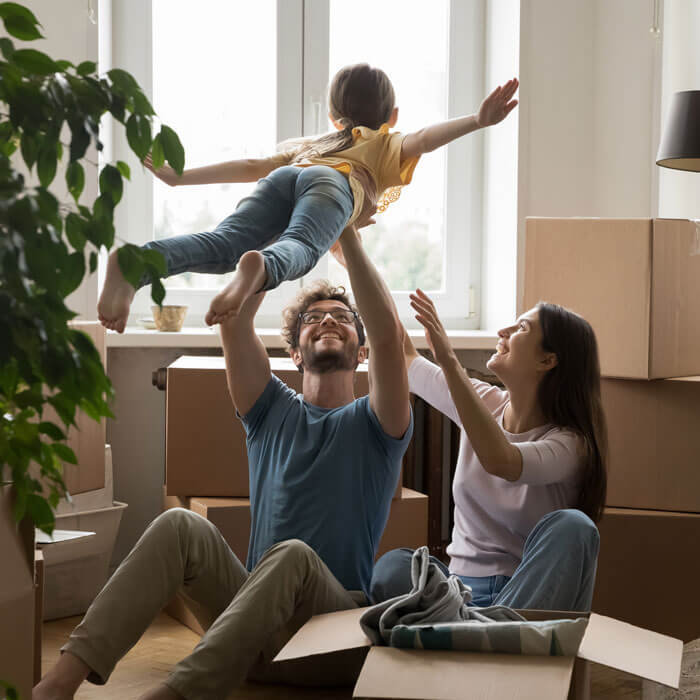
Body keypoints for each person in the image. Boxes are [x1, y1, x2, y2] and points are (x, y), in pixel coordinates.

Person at [33, 222, 413, 700]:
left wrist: (347, 234)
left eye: (341, 316)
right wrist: (280, 242)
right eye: (313, 318)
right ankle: (57, 684)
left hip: (329, 638)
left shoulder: (379, 425)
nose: (329, 320)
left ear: (361, 352)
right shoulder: (269, 410)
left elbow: (389, 336)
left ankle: (176, 694)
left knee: (293, 555)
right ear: (293, 352)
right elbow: (235, 319)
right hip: (251, 633)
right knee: (179, 526)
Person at [97, 63, 519, 332]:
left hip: (286, 176)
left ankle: (134, 263)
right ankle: (260, 267)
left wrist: (179, 178)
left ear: (334, 116)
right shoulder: (383, 143)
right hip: (334, 184)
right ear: (391, 117)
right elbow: (424, 140)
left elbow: (251, 165)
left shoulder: (315, 141)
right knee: (298, 245)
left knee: (222, 243)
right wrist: (477, 121)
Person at [369, 289, 607, 612]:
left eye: (522, 328)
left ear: (547, 360)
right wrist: (351, 252)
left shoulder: (571, 445)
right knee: (393, 567)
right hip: (459, 592)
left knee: (575, 527)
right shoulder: (482, 402)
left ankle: (482, 633)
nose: (503, 332)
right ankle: (474, 632)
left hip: (524, 598)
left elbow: (502, 461)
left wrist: (449, 360)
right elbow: (405, 356)